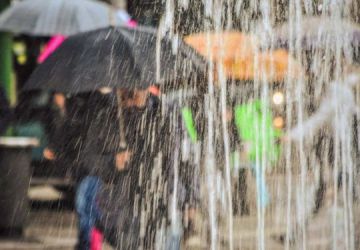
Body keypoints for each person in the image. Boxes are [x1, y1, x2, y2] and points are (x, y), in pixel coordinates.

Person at [75, 86, 160, 250]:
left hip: (148, 196)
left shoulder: (158, 118)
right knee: (86, 191)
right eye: (124, 90)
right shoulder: (106, 117)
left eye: (135, 90)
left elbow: (166, 162)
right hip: (115, 196)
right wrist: (112, 162)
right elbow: (88, 157)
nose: (129, 94)